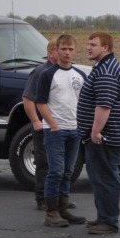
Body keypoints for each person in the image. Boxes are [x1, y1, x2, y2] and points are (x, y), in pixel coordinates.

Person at [77, 31, 120, 235]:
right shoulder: (102, 66)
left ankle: (108, 221)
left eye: (93, 44)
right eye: (88, 43)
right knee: (98, 177)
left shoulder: (106, 71)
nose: (88, 47)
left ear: (105, 48)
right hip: (104, 136)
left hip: (106, 137)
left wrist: (95, 131)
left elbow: (104, 106)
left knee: (105, 177)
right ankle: (103, 217)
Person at [34, 34, 87, 227]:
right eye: (63, 49)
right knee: (55, 171)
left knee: (68, 171)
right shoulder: (47, 74)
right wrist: (53, 125)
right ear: (56, 51)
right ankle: (51, 211)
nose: (67, 52)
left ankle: (63, 208)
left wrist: (81, 125)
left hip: (75, 130)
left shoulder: (80, 75)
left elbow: (84, 102)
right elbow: (40, 102)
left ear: (75, 51)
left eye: (70, 49)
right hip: (55, 131)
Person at [22, 39, 58, 210]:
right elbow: (28, 98)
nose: (66, 53)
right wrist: (36, 121)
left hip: (60, 125)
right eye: (60, 49)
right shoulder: (40, 72)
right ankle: (42, 199)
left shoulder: (63, 72)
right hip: (43, 126)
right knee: (43, 163)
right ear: (50, 53)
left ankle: (57, 198)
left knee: (59, 164)